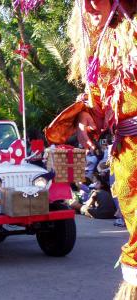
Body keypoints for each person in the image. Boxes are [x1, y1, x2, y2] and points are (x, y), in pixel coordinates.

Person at [44, 1, 137, 298]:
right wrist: (87, 115)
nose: (90, 5)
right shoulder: (100, 49)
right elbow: (99, 101)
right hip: (129, 162)